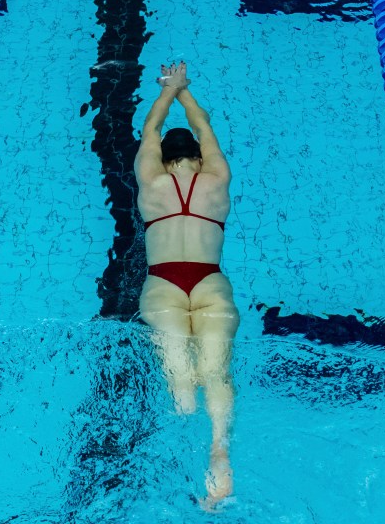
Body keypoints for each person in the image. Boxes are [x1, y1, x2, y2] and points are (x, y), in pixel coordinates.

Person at [134, 62, 240, 510]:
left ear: (163, 158)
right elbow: (203, 124)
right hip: (210, 281)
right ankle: (219, 450)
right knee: (216, 371)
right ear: (198, 157)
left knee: (182, 385)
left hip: (163, 284)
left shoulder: (151, 181)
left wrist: (167, 90)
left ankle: (183, 463)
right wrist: (186, 93)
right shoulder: (217, 180)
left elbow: (151, 129)